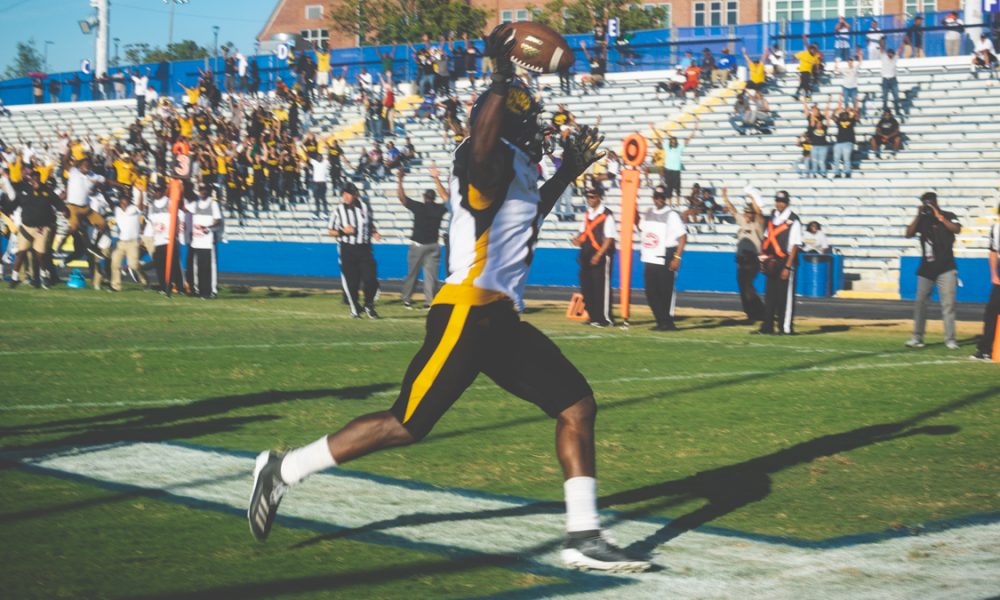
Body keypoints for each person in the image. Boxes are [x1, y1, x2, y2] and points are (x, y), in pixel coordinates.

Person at [249, 25, 650, 573]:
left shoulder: (521, 168)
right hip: (465, 312)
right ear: (504, 118)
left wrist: (568, 172)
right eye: (525, 116)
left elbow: (526, 213)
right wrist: (502, 77)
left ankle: (583, 535)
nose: (536, 126)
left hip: (499, 320)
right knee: (406, 424)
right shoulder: (486, 158)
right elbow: (485, 134)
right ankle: (283, 469)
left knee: (577, 406)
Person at [904, 192, 961, 350]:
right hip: (926, 269)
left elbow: (956, 229)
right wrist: (918, 215)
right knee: (920, 304)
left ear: (936, 202)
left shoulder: (948, 215)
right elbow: (908, 234)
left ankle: (950, 339)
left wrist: (939, 217)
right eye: (925, 203)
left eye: (930, 203)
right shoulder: (922, 220)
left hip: (947, 267)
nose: (928, 206)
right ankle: (917, 337)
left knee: (948, 305)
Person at [397, 165, 447, 310]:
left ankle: (407, 299)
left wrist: (399, 180)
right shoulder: (439, 209)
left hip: (418, 245)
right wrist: (436, 178)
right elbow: (448, 199)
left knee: (412, 273)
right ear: (434, 198)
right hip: (433, 245)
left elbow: (402, 199)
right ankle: (429, 302)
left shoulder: (419, 207)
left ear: (425, 197)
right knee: (431, 276)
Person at [328, 182, 380, 318]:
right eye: (343, 194)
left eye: (348, 194)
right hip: (348, 249)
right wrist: (343, 231)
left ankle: (369, 304)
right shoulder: (338, 210)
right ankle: (355, 308)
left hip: (364, 248)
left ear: (355, 194)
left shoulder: (363, 206)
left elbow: (369, 223)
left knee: (371, 279)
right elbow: (330, 231)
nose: (345, 197)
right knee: (353, 282)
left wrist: (374, 232)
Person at [639, 185, 687, 331]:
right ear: (653, 198)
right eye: (657, 197)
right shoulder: (648, 213)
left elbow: (683, 237)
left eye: (662, 197)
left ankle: (667, 322)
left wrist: (677, 257)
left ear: (665, 199)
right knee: (650, 291)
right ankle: (661, 320)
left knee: (664, 291)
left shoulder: (671, 215)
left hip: (666, 254)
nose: (659, 200)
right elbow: (641, 227)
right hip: (650, 256)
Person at [755, 190, 803, 335]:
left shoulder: (794, 220)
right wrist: (763, 257)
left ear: (787, 202)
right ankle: (767, 326)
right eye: (777, 201)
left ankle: (785, 327)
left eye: (782, 201)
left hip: (785, 260)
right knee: (770, 296)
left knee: (784, 297)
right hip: (772, 260)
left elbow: (795, 245)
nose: (779, 203)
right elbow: (766, 238)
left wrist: (787, 266)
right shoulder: (772, 217)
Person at [573, 186, 617, 328]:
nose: (589, 199)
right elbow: (582, 233)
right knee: (587, 287)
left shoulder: (606, 215)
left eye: (592, 196)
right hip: (586, 254)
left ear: (599, 197)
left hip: (600, 255)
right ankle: (593, 316)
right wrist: (577, 240)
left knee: (601, 287)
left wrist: (599, 254)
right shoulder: (587, 214)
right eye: (588, 197)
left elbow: (609, 238)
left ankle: (604, 318)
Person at [722, 187, 765, 322]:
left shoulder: (757, 225)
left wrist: (753, 198)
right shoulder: (743, 221)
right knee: (743, 287)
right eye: (746, 213)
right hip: (741, 260)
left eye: (749, 213)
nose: (747, 215)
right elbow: (733, 210)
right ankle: (752, 312)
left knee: (747, 286)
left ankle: (758, 311)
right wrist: (725, 197)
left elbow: (759, 215)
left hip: (753, 260)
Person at [971, 203, 999, 361]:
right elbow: (993, 251)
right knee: (992, 311)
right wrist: (994, 274)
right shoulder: (996, 228)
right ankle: (986, 349)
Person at [108, 193, 148, 291]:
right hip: (121, 243)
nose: (124, 205)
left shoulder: (134, 209)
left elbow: (141, 206)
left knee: (133, 265)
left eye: (125, 203)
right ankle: (115, 286)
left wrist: (141, 193)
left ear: (129, 203)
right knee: (115, 263)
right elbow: (110, 203)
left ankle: (146, 281)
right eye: (122, 203)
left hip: (132, 243)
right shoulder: (118, 211)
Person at [657, 118, 698, 205]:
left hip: (676, 170)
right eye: (671, 142)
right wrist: (653, 129)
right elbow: (660, 138)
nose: (673, 143)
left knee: (677, 187)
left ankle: (678, 204)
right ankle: (670, 204)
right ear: (670, 142)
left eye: (674, 141)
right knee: (669, 187)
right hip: (668, 170)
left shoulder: (679, 147)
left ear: (676, 142)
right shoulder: (667, 148)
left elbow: (688, 139)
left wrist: (695, 129)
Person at [832, 97, 859, 178]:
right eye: (843, 115)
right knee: (836, 158)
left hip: (848, 142)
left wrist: (852, 109)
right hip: (839, 142)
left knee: (846, 158)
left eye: (846, 114)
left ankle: (847, 172)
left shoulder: (851, 121)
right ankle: (837, 173)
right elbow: (832, 117)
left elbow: (857, 115)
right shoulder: (839, 122)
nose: (844, 116)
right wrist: (835, 110)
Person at [879, 40, 903, 115]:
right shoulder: (884, 57)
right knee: (885, 97)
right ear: (888, 53)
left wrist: (902, 44)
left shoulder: (895, 58)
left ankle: (897, 110)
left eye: (892, 54)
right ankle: (884, 111)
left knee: (896, 96)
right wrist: (882, 42)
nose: (891, 55)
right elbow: (881, 49)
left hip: (893, 79)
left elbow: (899, 50)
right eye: (890, 54)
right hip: (885, 80)